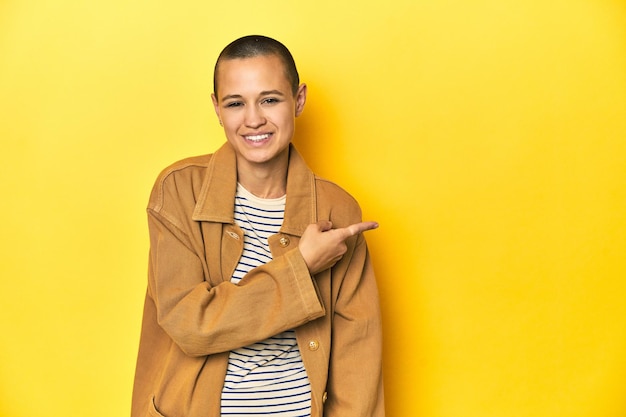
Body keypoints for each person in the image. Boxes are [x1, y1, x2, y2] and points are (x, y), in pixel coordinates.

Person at [131, 35, 385, 417]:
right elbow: (190, 324)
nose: (253, 119)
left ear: (298, 99)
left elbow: (358, 355)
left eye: (270, 99)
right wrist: (300, 268)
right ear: (217, 108)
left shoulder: (337, 208)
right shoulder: (179, 190)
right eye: (236, 103)